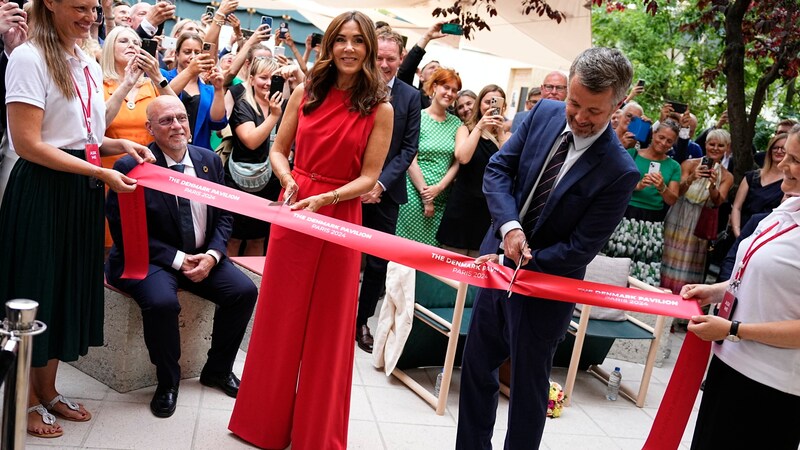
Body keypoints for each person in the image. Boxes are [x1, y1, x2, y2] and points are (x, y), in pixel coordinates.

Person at [456, 47, 638, 449]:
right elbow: (499, 169)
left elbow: (580, 248)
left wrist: (518, 259)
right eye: (574, 102)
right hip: (494, 268)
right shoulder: (543, 114)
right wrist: (508, 228)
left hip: (546, 290)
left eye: (594, 110)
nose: (579, 116)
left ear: (617, 104)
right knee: (475, 370)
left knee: (527, 387)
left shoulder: (619, 171)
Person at [229, 11, 393, 449]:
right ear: (328, 46)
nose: (349, 49)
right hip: (296, 209)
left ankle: (315, 436)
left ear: (370, 50)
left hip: (341, 216)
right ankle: (260, 424)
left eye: (359, 41)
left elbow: (370, 175)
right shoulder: (304, 92)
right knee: (279, 320)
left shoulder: (381, 109)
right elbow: (278, 151)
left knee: (329, 327)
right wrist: (287, 178)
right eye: (342, 39)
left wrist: (328, 198)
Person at [0, 0, 153, 437]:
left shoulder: (84, 59)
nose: (90, 17)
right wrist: (98, 170)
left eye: (94, 9)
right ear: (50, 3)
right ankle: (22, 399)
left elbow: (82, 135)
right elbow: (29, 143)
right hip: (43, 192)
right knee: (36, 290)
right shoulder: (29, 57)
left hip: (79, 189)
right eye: (79, 8)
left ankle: (47, 390)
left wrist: (116, 147)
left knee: (64, 290)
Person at [105, 96, 257, 417]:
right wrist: (177, 259)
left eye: (181, 118)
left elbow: (225, 212)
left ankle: (217, 370)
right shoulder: (132, 167)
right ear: (149, 128)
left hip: (203, 254)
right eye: (166, 120)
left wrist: (214, 255)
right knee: (162, 303)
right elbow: (126, 231)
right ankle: (168, 382)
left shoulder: (209, 161)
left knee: (244, 292)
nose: (176, 125)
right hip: (149, 258)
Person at [682, 124, 800, 450]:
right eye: (785, 155)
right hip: (729, 362)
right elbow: (759, 275)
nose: (782, 165)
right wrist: (717, 290)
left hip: (771, 384)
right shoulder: (785, 208)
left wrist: (735, 329)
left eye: (795, 160)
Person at [354, 27, 420, 354]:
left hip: (387, 193)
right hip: (350, 188)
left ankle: (361, 321)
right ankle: (335, 315)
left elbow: (409, 150)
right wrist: (362, 183)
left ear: (401, 59)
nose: (383, 64)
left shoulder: (411, 96)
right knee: (345, 256)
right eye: (378, 57)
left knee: (378, 263)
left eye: (390, 58)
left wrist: (379, 184)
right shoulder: (355, 86)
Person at [603, 119, 681, 285]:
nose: (663, 143)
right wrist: (637, 186)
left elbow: (672, 199)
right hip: (625, 216)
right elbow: (614, 183)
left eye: (669, 141)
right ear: (653, 134)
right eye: (661, 137)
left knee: (643, 269)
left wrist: (662, 187)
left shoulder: (673, 166)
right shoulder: (633, 154)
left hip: (651, 224)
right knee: (613, 261)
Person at [437, 84, 510, 256]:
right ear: (479, 105)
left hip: (487, 209)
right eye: (487, 102)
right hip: (461, 205)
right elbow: (463, 157)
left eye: (496, 103)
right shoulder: (465, 129)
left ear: (503, 107)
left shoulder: (507, 136)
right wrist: (480, 127)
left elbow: (507, 165)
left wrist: (499, 132)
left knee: (478, 265)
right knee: (451, 263)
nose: (491, 107)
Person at [661, 129, 734, 294]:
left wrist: (713, 185)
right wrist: (692, 177)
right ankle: (659, 295)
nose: (715, 148)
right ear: (706, 145)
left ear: (726, 148)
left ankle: (681, 301)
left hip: (701, 220)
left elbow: (718, 202)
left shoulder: (727, 176)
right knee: (668, 254)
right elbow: (676, 193)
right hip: (678, 214)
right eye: (711, 144)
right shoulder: (689, 164)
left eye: (720, 145)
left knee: (690, 261)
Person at [395, 67, 462, 247]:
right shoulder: (418, 117)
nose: (449, 93)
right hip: (414, 195)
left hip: (442, 197)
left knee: (431, 256)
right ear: (434, 87)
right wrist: (427, 196)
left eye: (454, 90)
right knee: (405, 255)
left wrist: (439, 188)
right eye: (445, 87)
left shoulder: (457, 123)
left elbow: (457, 163)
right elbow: (410, 160)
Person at [224, 56, 284, 257]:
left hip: (271, 183)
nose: (268, 83)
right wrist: (274, 117)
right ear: (251, 79)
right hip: (240, 181)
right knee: (234, 237)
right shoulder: (243, 105)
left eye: (273, 78)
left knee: (259, 237)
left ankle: (253, 285)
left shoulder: (281, 106)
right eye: (263, 77)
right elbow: (251, 140)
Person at [162, 33, 227, 150]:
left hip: (198, 152)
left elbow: (217, 123)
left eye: (197, 53)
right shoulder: (164, 76)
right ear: (177, 54)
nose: (193, 56)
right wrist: (190, 71)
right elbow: (164, 97)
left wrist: (218, 89)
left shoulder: (209, 90)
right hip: (166, 148)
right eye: (187, 52)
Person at [729, 133, 785, 238]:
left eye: (783, 148)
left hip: (767, 236)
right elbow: (737, 207)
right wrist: (738, 233)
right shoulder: (751, 176)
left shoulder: (790, 182)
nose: (779, 151)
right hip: (742, 233)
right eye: (775, 147)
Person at [397, 21, 446, 109]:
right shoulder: (414, 96)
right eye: (432, 67)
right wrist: (427, 37)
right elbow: (405, 72)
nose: (436, 69)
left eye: (440, 68)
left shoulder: (448, 105)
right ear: (421, 76)